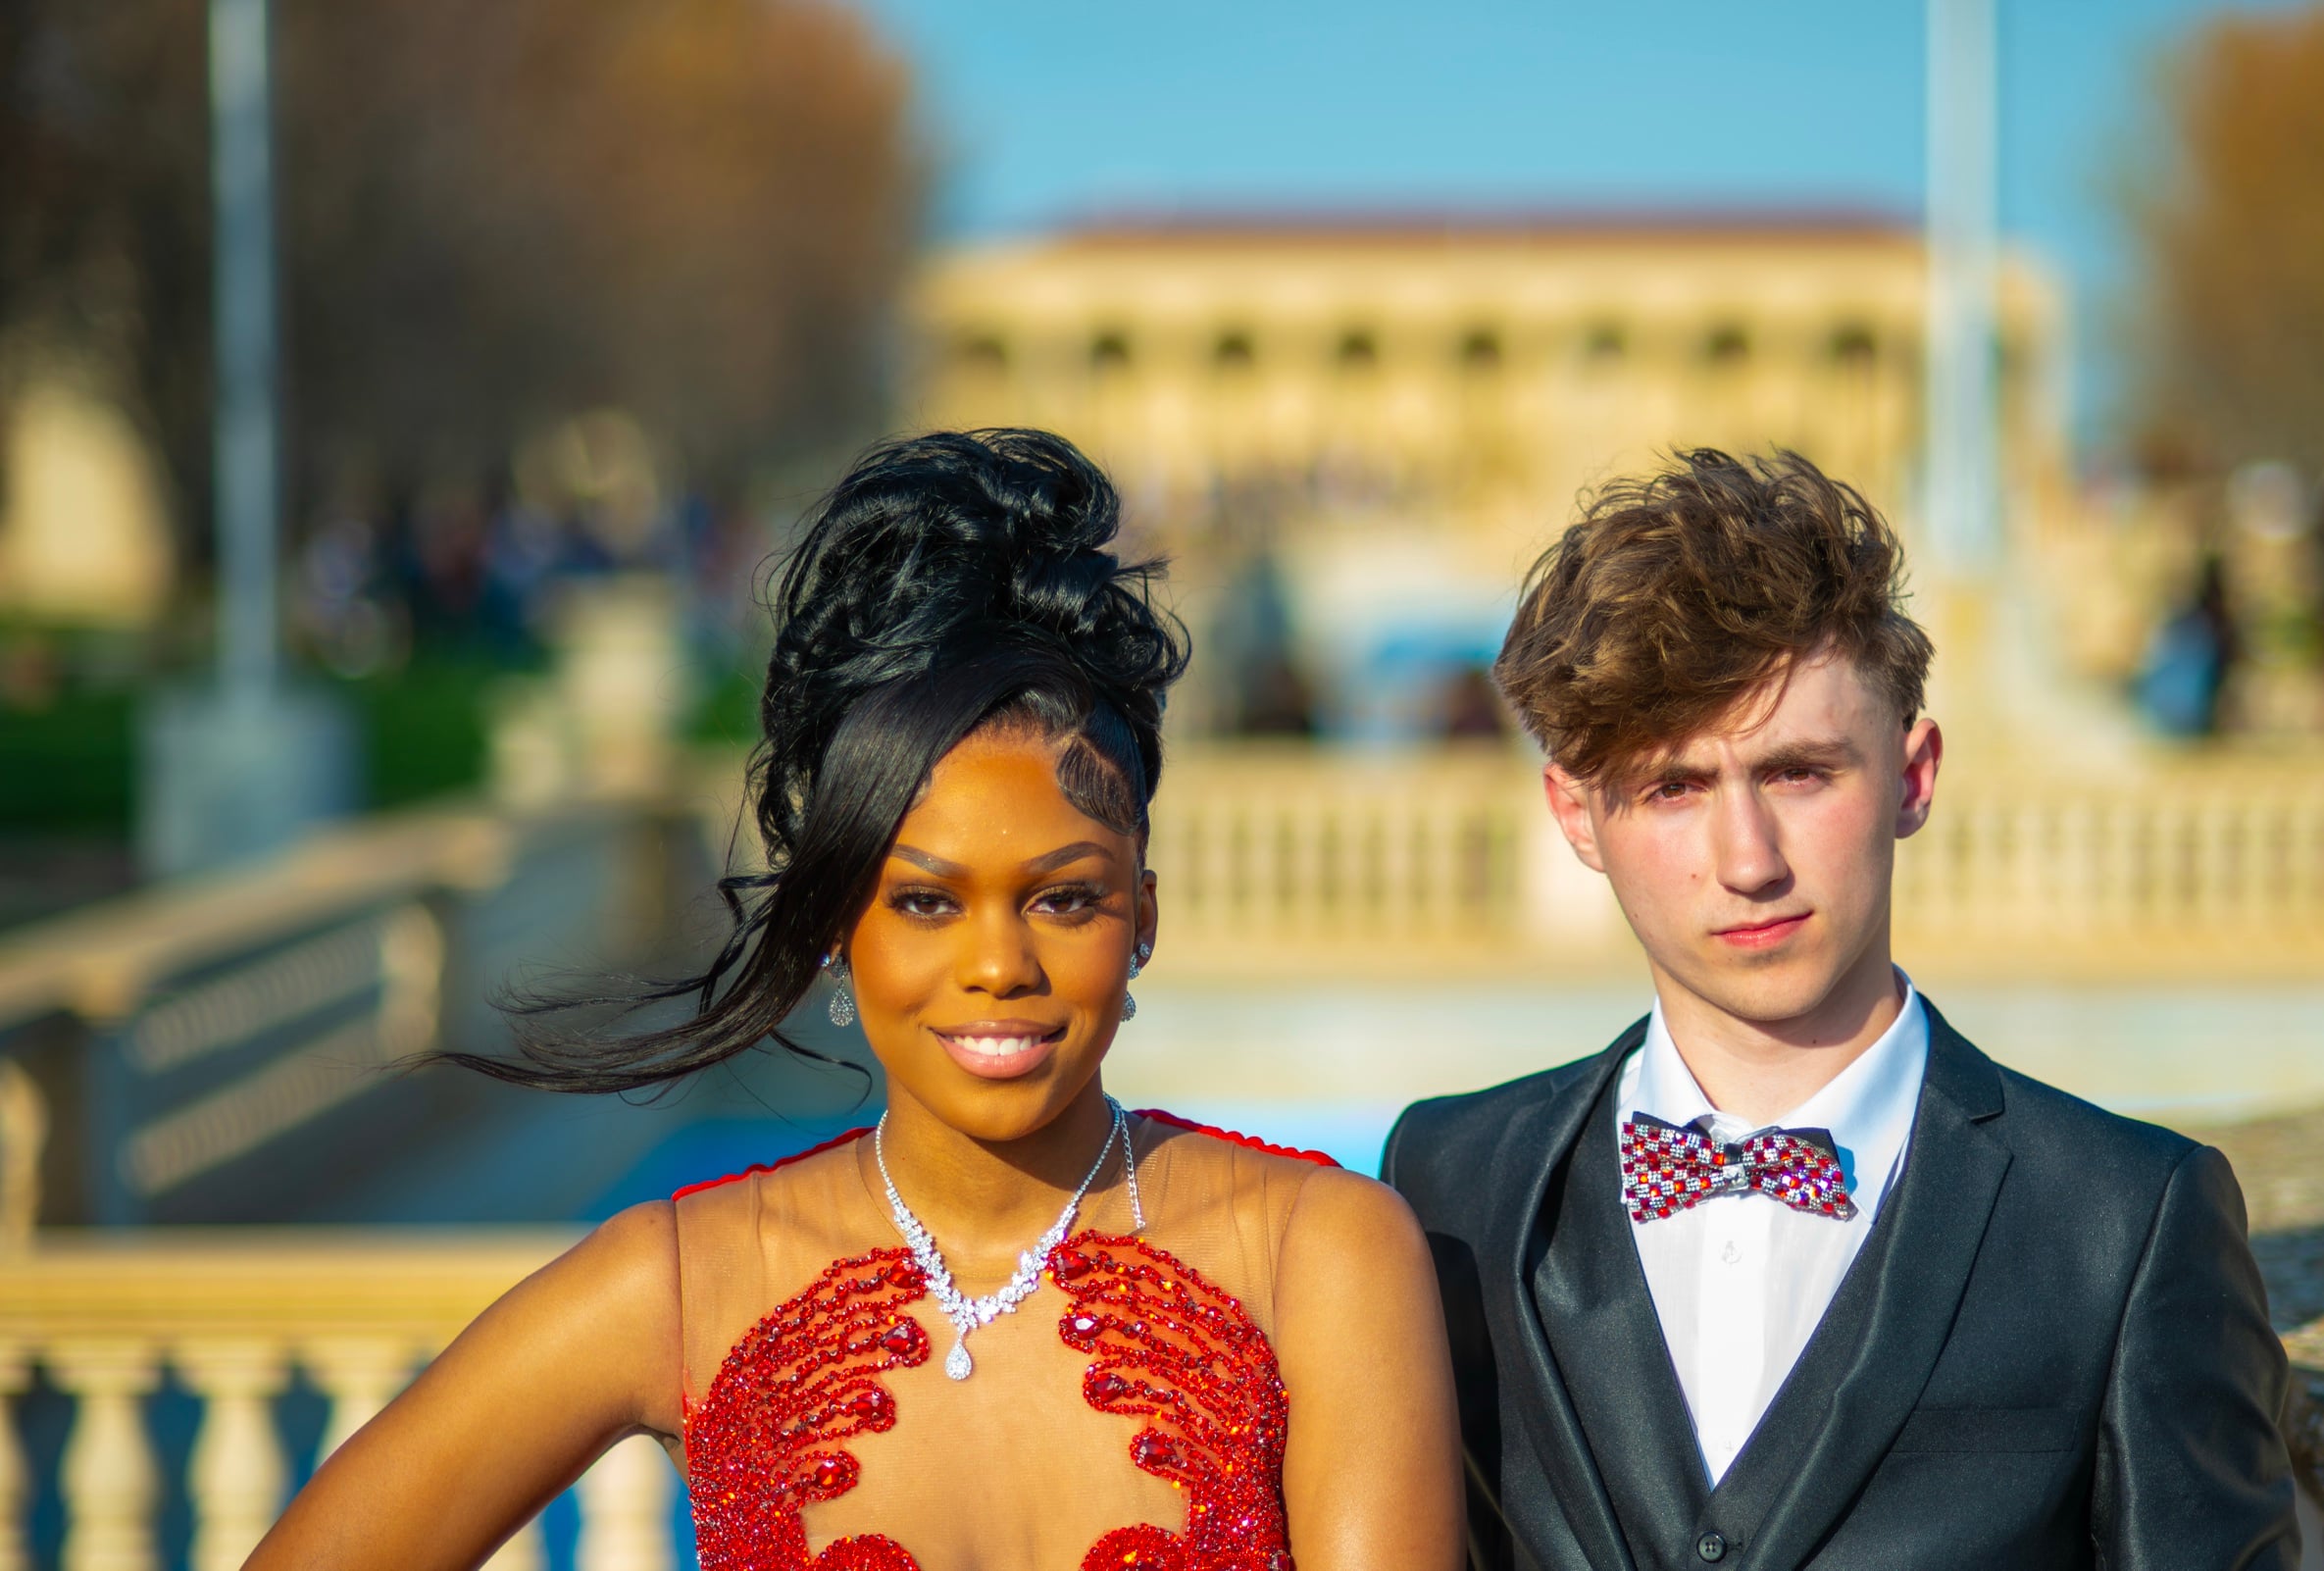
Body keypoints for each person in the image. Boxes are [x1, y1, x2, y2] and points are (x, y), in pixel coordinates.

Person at [248, 430, 1461, 1571]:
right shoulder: (683, 1284)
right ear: (837, 922)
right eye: (926, 902)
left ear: (1142, 917)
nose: (999, 965)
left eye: (1063, 900)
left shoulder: (1321, 1258)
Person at [1383, 450, 2297, 1570]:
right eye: (1674, 788)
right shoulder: (1450, 1182)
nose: (1748, 862)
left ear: (1913, 776)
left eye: (1799, 773)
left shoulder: (2126, 1218)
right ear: (1576, 818)